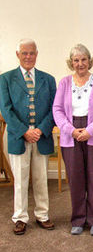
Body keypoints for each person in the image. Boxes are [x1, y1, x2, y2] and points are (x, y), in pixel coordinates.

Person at [0, 39, 56, 235]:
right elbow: (6, 110)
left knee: (41, 178)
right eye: (24, 53)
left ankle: (42, 214)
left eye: (31, 53)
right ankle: (20, 217)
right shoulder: (5, 79)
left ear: (37, 54)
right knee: (20, 179)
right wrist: (25, 131)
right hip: (18, 135)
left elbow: (54, 109)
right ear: (18, 55)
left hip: (42, 134)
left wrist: (40, 130)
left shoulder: (48, 79)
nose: (28, 56)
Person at [53, 44, 93, 236]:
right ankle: (78, 219)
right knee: (76, 179)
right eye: (76, 60)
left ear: (89, 61)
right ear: (71, 63)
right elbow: (57, 110)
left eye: (83, 59)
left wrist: (90, 131)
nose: (80, 63)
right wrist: (71, 131)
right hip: (71, 135)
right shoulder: (64, 83)